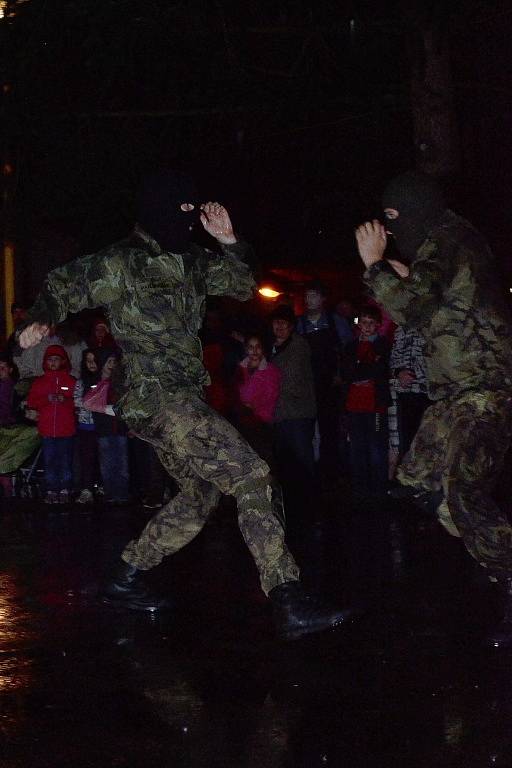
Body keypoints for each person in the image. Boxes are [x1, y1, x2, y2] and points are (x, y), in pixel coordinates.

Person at [17, 169, 354, 640]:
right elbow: (63, 284)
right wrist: (39, 318)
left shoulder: (193, 259)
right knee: (251, 473)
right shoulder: (123, 260)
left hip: (177, 397)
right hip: (155, 395)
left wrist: (231, 240)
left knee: (200, 494)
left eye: (192, 213)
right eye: (179, 212)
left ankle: (125, 576)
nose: (188, 221)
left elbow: (242, 283)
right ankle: (288, 595)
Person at [355, 170, 512, 646]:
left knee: (463, 490)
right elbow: (439, 303)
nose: (394, 231)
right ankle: (497, 557)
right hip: (454, 392)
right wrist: (403, 275)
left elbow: (412, 310)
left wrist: (376, 265)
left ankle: (506, 567)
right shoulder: (447, 243)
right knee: (417, 485)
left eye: (396, 221)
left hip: (482, 388)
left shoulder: (445, 240)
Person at [296, 280, 350, 480]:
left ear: (322, 299)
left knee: (330, 426)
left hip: (330, 383)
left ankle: (332, 469)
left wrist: (340, 375)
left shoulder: (336, 322)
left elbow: (348, 351)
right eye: (307, 296)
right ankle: (309, 469)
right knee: (308, 426)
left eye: (313, 296)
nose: (309, 300)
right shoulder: (299, 324)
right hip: (308, 384)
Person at [341, 305, 391, 498]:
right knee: (357, 447)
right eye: (364, 322)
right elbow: (347, 373)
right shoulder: (350, 346)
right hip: (354, 404)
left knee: (377, 447)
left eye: (371, 323)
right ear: (358, 324)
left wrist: (360, 369)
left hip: (375, 404)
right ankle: (359, 488)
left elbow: (380, 370)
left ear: (378, 325)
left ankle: (378, 489)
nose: (367, 326)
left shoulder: (383, 345)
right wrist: (365, 368)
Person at [26, 344, 76, 504]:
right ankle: (51, 490)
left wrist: (66, 400)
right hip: (47, 430)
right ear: (45, 362)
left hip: (66, 430)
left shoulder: (70, 381)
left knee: (65, 461)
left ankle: (64, 489)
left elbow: (78, 402)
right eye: (50, 359)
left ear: (63, 361)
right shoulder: (39, 382)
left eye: (56, 359)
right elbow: (32, 402)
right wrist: (46, 400)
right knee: (50, 461)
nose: (53, 362)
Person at [85, 348, 130, 504]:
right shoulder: (95, 382)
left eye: (114, 362)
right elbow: (89, 402)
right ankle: (111, 492)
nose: (111, 365)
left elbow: (124, 405)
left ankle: (122, 493)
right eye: (108, 361)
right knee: (107, 462)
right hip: (103, 429)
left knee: (121, 463)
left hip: (119, 429)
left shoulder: (120, 382)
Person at [233, 332, 281, 468]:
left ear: (263, 349)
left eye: (258, 347)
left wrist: (250, 405)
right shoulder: (240, 369)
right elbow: (236, 394)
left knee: (263, 463)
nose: (254, 350)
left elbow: (269, 396)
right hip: (243, 424)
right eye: (250, 347)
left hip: (262, 424)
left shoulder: (271, 371)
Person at [73, 348, 100, 504]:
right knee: (87, 458)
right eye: (88, 360)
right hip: (85, 426)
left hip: (103, 426)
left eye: (94, 360)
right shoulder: (81, 382)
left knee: (102, 458)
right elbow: (77, 401)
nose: (91, 364)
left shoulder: (104, 381)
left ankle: (102, 485)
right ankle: (87, 489)